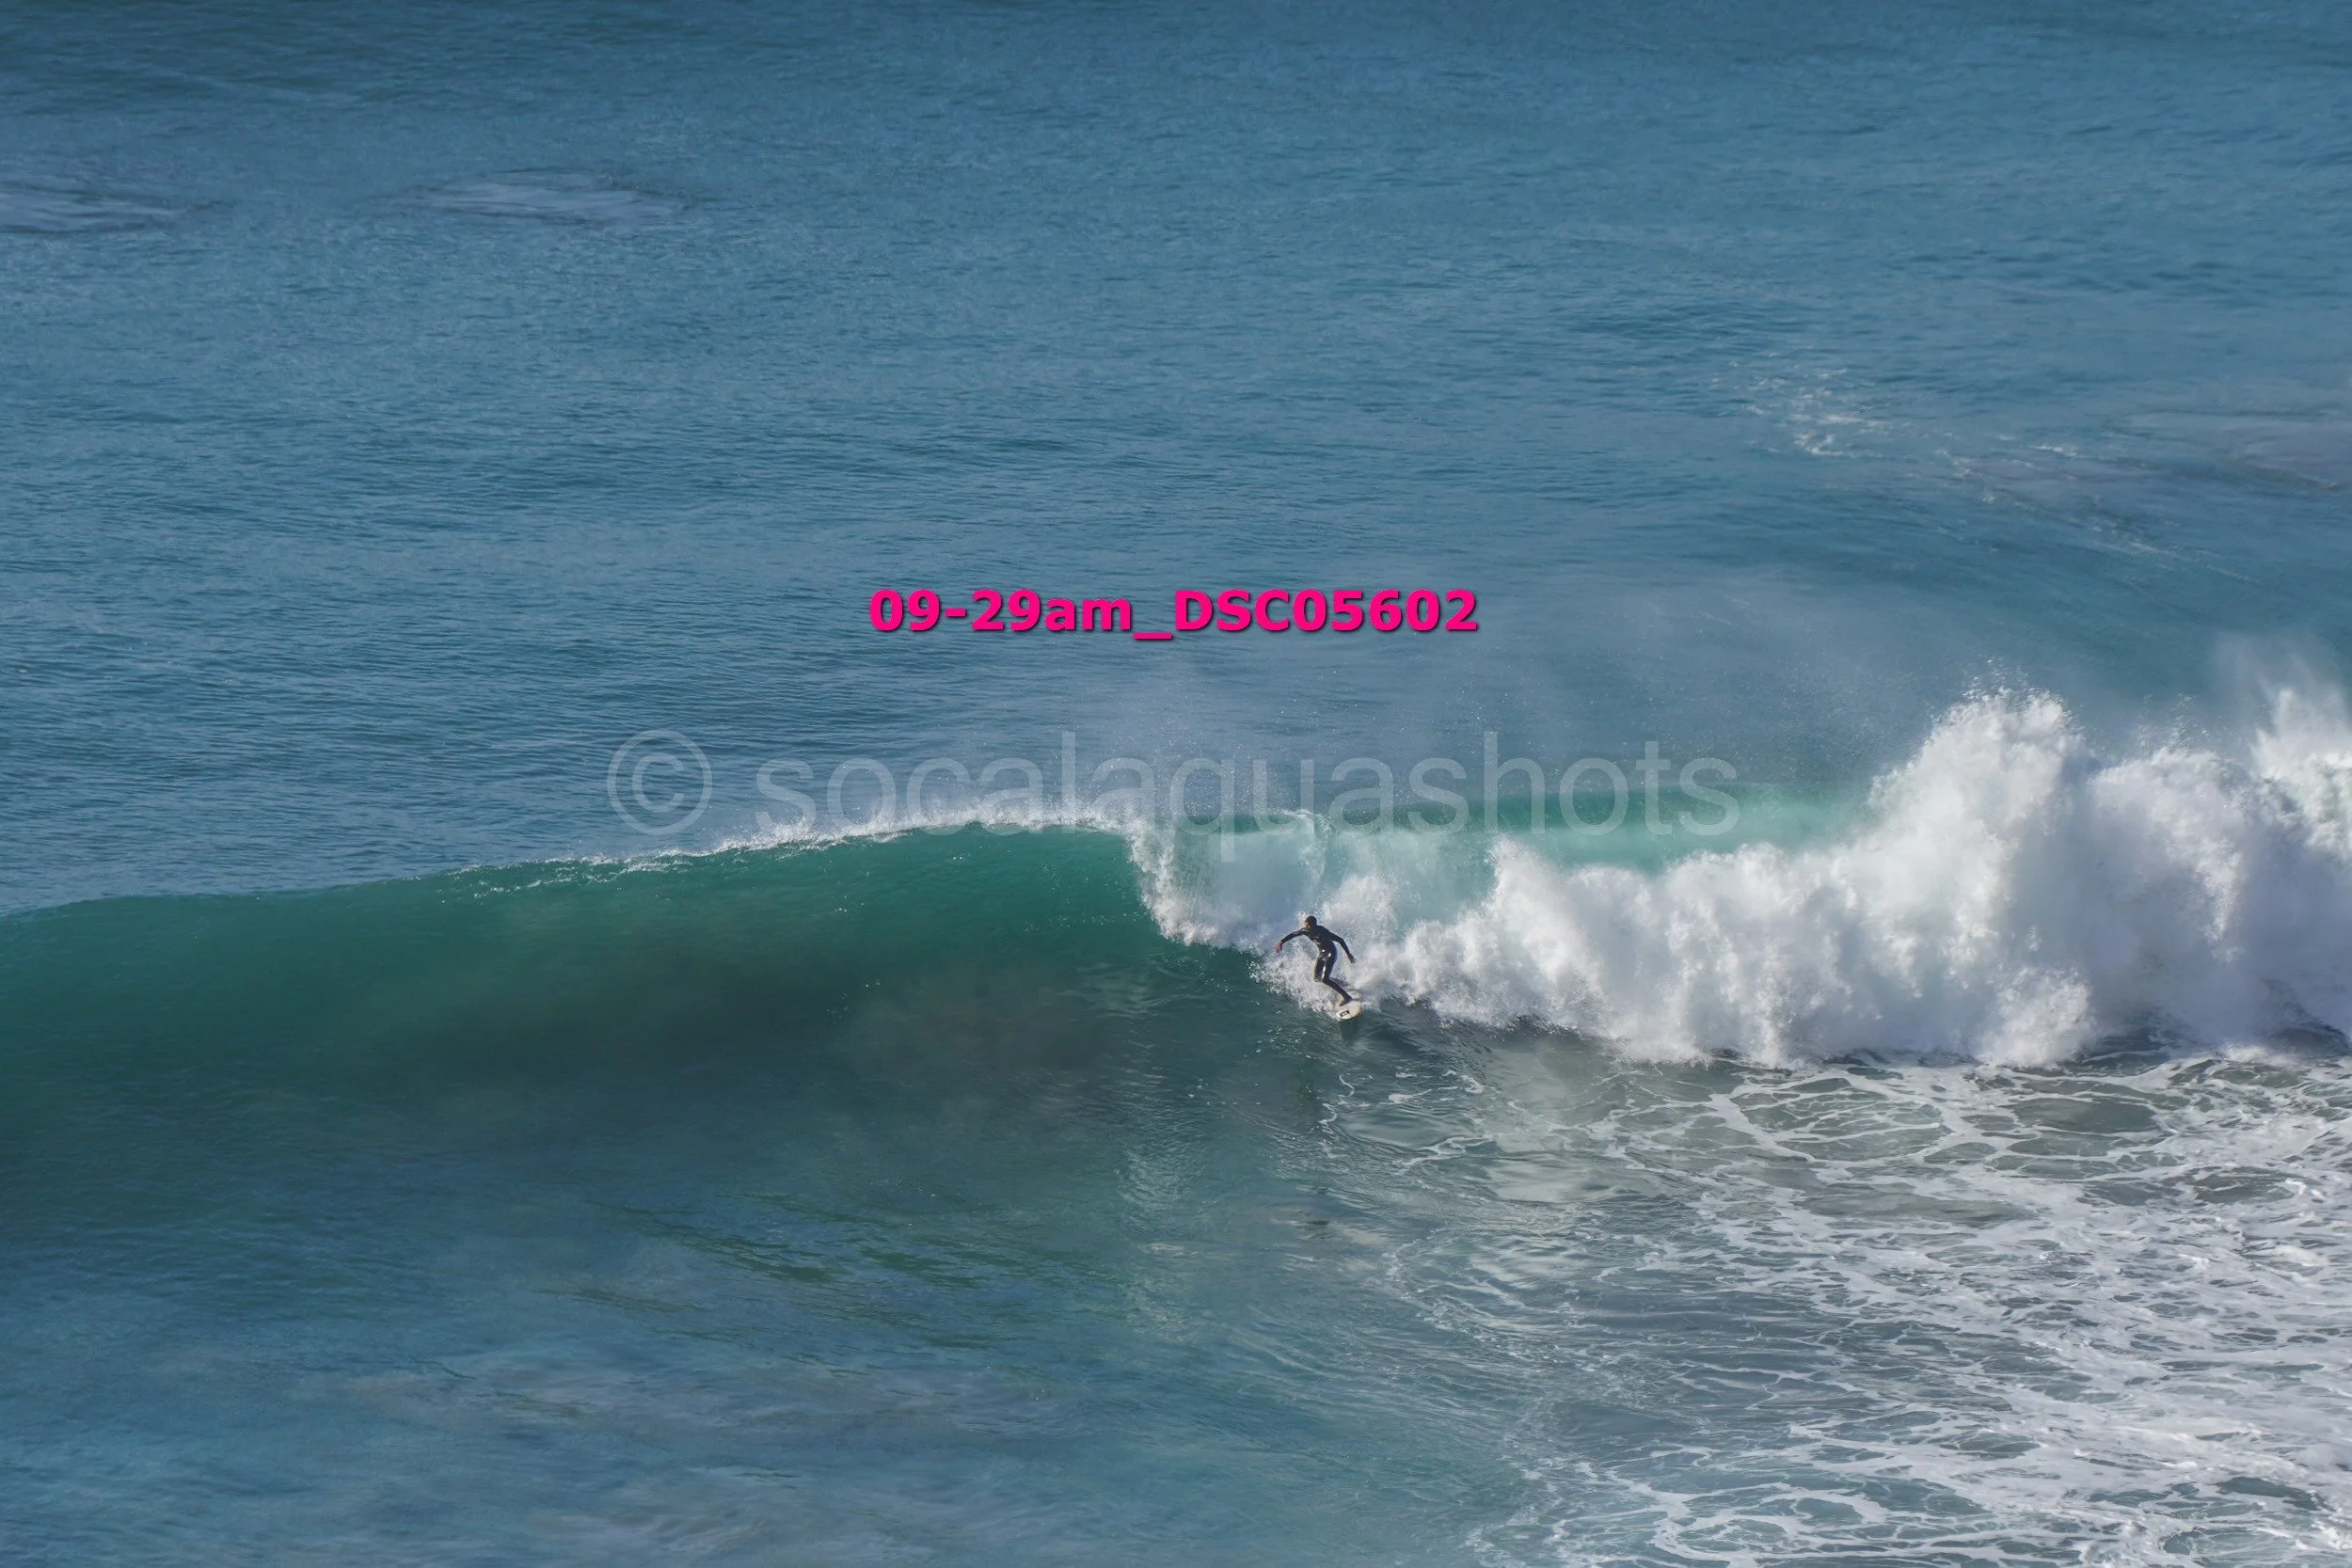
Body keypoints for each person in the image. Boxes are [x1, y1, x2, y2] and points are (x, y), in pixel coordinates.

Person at [1276, 914, 1355, 1005]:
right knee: (1317, 978)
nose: (1303, 925)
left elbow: (1340, 940)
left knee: (1324, 979)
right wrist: (1281, 941)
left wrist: (1348, 954)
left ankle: (1346, 997)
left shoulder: (1322, 931)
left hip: (1331, 954)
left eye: (1305, 924)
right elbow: (1293, 934)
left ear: (1310, 925)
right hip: (1322, 954)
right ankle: (1338, 983)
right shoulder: (1305, 931)